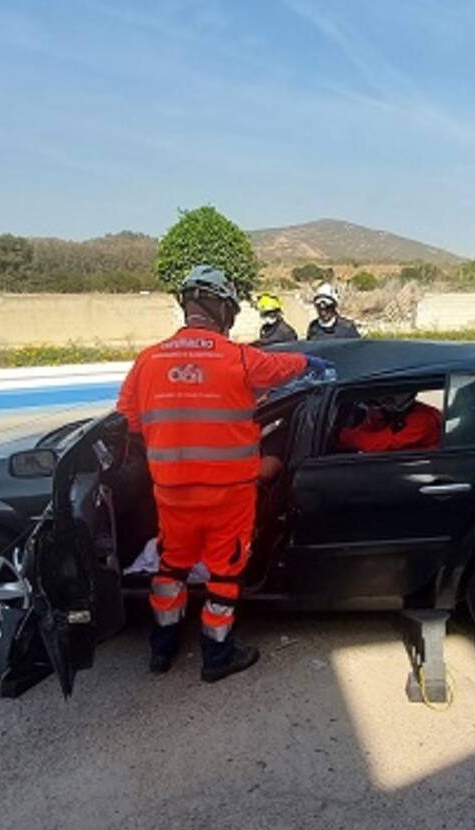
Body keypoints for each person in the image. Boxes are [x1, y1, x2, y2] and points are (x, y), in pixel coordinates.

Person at [116, 265, 330, 683]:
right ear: (222, 307)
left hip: (172, 493)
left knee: (171, 568)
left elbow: (128, 423)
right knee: (224, 573)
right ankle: (216, 655)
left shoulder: (148, 361)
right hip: (229, 495)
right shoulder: (239, 358)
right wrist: (311, 361)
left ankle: (162, 650)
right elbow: (281, 367)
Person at [337, 392, 442, 453]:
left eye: (375, 403)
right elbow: (368, 435)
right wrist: (374, 420)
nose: (370, 407)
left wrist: (341, 434)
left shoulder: (422, 420)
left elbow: (381, 445)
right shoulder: (399, 414)